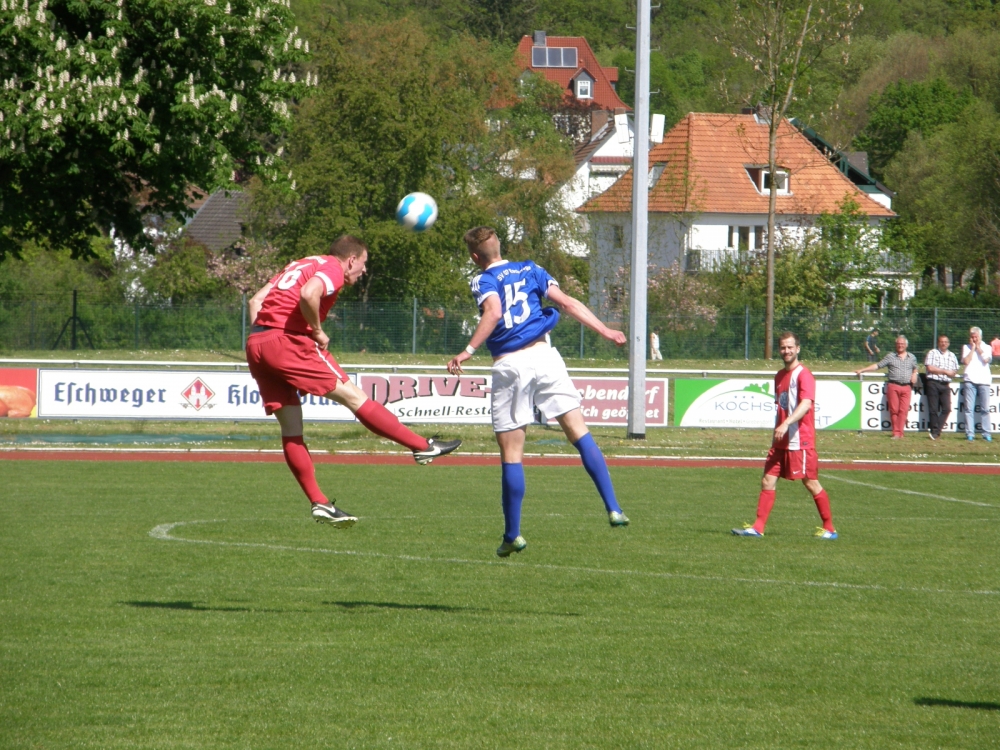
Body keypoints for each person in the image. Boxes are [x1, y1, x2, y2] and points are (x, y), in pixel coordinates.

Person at [246, 236, 461, 527]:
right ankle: (422, 447)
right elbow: (309, 293)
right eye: (363, 263)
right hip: (288, 341)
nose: (364, 270)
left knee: (291, 430)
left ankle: (320, 502)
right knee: (355, 397)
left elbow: (255, 301)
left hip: (257, 343)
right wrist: (316, 331)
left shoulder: (301, 263)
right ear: (351, 260)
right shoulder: (333, 267)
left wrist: (268, 342)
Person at [447, 226, 629, 557]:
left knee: (512, 453)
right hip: (546, 356)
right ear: (499, 246)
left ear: (475, 257)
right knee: (579, 433)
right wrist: (605, 329)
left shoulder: (483, 280)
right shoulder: (531, 269)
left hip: (510, 364)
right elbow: (567, 302)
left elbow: (494, 312)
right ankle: (613, 507)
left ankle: (512, 534)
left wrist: (468, 351)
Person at [732, 332, 836, 539]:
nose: (786, 351)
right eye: (782, 347)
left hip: (799, 440)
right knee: (767, 481)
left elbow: (806, 404)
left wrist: (786, 423)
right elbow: (781, 406)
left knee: (810, 482)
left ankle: (830, 528)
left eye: (790, 347)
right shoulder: (779, 376)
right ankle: (757, 528)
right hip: (781, 441)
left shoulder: (804, 375)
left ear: (797, 349)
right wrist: (778, 431)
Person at [854, 335, 918, 439]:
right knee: (894, 410)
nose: (900, 346)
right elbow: (877, 366)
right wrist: (862, 370)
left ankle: (900, 432)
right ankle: (896, 433)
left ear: (906, 345)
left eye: (902, 344)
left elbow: (915, 368)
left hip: (906, 387)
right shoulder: (890, 356)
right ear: (895, 345)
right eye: (898, 344)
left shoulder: (912, 357)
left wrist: (915, 374)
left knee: (904, 410)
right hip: (893, 385)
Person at [961, 326, 993, 442]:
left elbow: (986, 360)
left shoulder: (987, 347)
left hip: (984, 381)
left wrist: (978, 348)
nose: (974, 339)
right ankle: (970, 433)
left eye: (976, 337)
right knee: (969, 409)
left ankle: (986, 433)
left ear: (980, 336)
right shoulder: (966, 347)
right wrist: (973, 349)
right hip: (970, 380)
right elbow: (966, 361)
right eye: (972, 337)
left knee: (985, 409)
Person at [924, 335, 958, 440]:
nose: (943, 343)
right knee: (933, 409)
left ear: (948, 343)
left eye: (945, 342)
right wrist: (945, 371)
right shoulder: (932, 353)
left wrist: (947, 372)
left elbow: (954, 371)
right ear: (938, 343)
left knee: (947, 409)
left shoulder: (952, 355)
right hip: (933, 383)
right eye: (941, 342)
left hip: (945, 384)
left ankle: (936, 430)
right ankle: (935, 433)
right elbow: (930, 368)